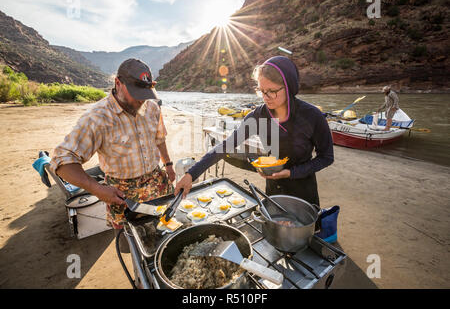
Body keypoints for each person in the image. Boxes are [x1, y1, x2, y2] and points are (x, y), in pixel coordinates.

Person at [50, 58, 176, 252]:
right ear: (118, 83)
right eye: (136, 93)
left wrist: (168, 164)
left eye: (145, 93)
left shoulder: (152, 107)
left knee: (165, 237)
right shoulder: (97, 117)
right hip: (122, 195)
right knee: (133, 248)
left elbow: (159, 138)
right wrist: (97, 189)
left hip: (157, 185)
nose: (141, 100)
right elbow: (61, 161)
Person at [175, 56, 334, 207]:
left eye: (271, 91)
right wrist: (191, 174)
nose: (265, 97)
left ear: (288, 87)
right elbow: (226, 145)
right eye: (261, 90)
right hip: (274, 189)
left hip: (304, 191)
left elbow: (326, 157)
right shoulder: (258, 116)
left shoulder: (312, 115)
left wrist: (292, 173)